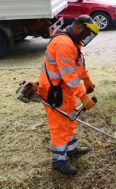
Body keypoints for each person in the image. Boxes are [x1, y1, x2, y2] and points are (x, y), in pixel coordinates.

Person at [37, 15, 99, 175]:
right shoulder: (64, 43)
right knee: (60, 126)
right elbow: (68, 74)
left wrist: (86, 79)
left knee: (70, 118)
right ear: (79, 27)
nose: (87, 37)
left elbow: (78, 62)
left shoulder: (74, 41)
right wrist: (83, 96)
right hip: (54, 91)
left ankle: (71, 149)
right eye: (86, 33)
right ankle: (59, 161)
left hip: (66, 90)